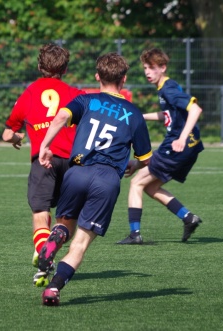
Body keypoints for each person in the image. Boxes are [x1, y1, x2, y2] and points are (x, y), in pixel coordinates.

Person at [37, 52, 152, 306]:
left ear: (97, 76)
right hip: (107, 180)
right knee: (80, 244)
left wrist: (45, 146)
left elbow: (60, 117)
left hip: (77, 171)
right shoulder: (133, 114)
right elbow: (146, 159)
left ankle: (54, 238)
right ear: (124, 79)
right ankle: (53, 290)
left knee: (65, 226)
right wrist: (132, 164)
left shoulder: (85, 100)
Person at [1, 43, 85, 286]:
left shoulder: (30, 92)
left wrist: (17, 138)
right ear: (66, 69)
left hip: (42, 160)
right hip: (72, 163)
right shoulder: (76, 94)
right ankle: (49, 252)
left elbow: (8, 133)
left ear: (39, 66)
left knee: (40, 214)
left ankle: (42, 254)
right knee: (67, 218)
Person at [117, 48, 204, 245]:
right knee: (150, 187)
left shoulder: (168, 89)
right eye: (145, 68)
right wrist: (140, 116)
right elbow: (168, 115)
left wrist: (182, 137)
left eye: (152, 68)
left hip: (178, 146)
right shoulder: (166, 88)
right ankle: (188, 218)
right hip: (188, 147)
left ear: (163, 68)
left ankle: (135, 234)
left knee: (136, 183)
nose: (147, 72)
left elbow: (195, 109)